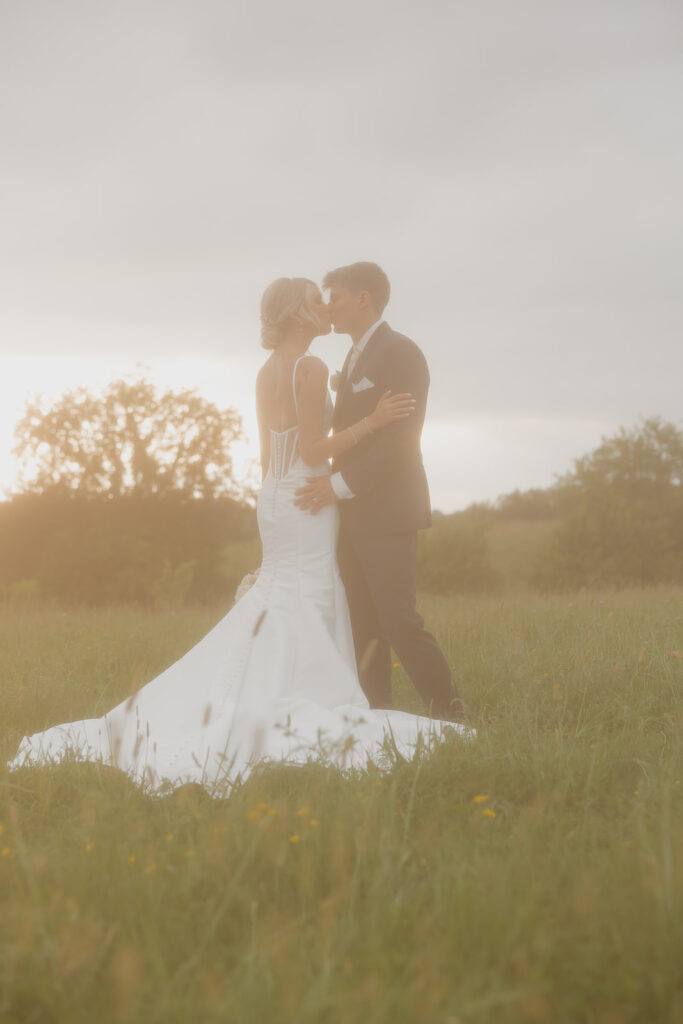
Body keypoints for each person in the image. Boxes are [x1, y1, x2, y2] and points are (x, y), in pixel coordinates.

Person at [8, 277, 471, 794]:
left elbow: (266, 452)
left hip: (274, 495)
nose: (323, 308)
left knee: (283, 590)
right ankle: (308, 690)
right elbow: (315, 451)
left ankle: (281, 682)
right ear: (298, 316)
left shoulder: (265, 371)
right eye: (315, 303)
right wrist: (373, 422)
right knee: (308, 591)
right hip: (308, 495)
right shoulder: (312, 367)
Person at [295, 262, 466, 721]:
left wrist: (336, 485)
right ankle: (376, 718)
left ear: (363, 298)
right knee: (363, 625)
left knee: (399, 621)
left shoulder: (400, 352)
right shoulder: (351, 358)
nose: (327, 307)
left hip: (389, 510)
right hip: (351, 513)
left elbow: (399, 442)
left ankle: (453, 716)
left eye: (335, 298)